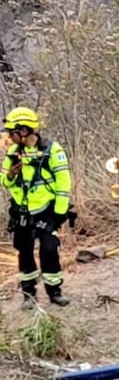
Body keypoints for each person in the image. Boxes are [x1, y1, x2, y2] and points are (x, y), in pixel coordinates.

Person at [0, 107, 72, 308]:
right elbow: (4, 182)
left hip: (47, 211)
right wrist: (12, 174)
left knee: (49, 250)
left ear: (23, 130)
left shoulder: (52, 150)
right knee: (24, 252)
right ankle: (28, 294)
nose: (9, 136)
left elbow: (63, 183)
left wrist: (59, 212)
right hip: (21, 212)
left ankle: (55, 291)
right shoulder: (13, 153)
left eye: (12, 132)